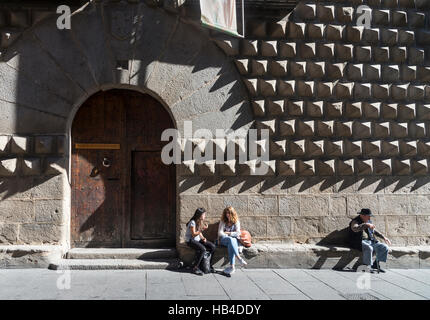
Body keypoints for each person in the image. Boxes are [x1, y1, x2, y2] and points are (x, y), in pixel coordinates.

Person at [349, 208, 392, 273]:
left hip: (370, 241)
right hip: (359, 242)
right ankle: (366, 267)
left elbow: (374, 231)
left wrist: (383, 237)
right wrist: (366, 225)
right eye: (368, 216)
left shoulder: (368, 222)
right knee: (369, 248)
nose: (369, 218)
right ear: (362, 215)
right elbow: (355, 229)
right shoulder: (355, 221)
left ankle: (375, 264)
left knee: (384, 247)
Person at [185, 207, 216, 275]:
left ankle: (208, 265)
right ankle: (195, 268)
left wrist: (203, 238)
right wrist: (203, 229)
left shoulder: (199, 221)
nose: (205, 216)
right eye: (204, 214)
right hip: (190, 240)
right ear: (200, 215)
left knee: (212, 246)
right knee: (203, 249)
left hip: (197, 239)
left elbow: (199, 233)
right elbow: (193, 234)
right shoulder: (193, 222)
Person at [218, 206, 247, 275]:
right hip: (223, 240)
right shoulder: (223, 221)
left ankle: (232, 267)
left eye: (229, 213)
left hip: (232, 241)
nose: (227, 215)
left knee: (231, 243)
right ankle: (239, 258)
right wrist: (229, 235)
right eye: (226, 213)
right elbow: (220, 233)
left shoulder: (236, 222)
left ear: (233, 213)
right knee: (231, 239)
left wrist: (228, 233)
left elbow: (238, 233)